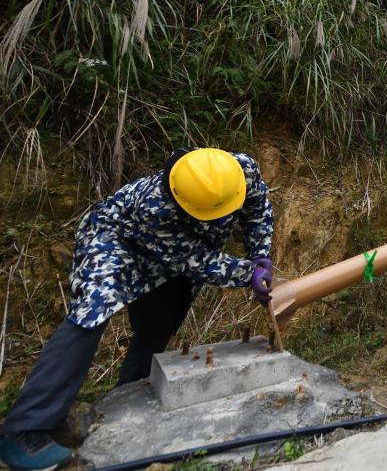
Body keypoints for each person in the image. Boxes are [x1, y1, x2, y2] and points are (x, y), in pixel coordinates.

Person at [0, 148, 274, 470]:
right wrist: (247, 275)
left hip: (178, 250)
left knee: (162, 319)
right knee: (92, 311)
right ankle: (26, 429)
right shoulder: (154, 206)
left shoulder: (239, 171)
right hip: (116, 240)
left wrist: (260, 255)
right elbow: (197, 262)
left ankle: (130, 395)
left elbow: (257, 208)